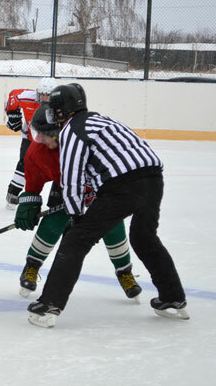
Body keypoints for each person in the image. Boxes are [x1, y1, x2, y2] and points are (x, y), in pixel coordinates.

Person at [26, 84, 188, 328]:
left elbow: (72, 178)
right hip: (153, 178)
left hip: (123, 185)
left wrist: (75, 215)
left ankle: (49, 305)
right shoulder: (100, 120)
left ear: (60, 112)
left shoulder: (72, 130)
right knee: (145, 239)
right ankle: (173, 298)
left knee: (75, 240)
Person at [14, 103, 142, 301]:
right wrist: (29, 203)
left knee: (112, 224)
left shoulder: (86, 141)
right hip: (65, 185)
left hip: (98, 186)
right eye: (38, 135)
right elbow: (33, 182)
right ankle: (31, 266)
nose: (41, 140)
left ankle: (124, 271)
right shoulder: (38, 152)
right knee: (55, 220)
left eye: (46, 135)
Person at [3, 77, 57, 209]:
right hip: (29, 136)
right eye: (41, 94)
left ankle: (58, 198)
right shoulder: (28, 96)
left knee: (58, 166)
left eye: (48, 95)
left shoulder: (60, 104)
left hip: (52, 140)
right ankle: (12, 194)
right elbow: (13, 96)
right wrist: (12, 114)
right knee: (24, 163)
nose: (44, 98)